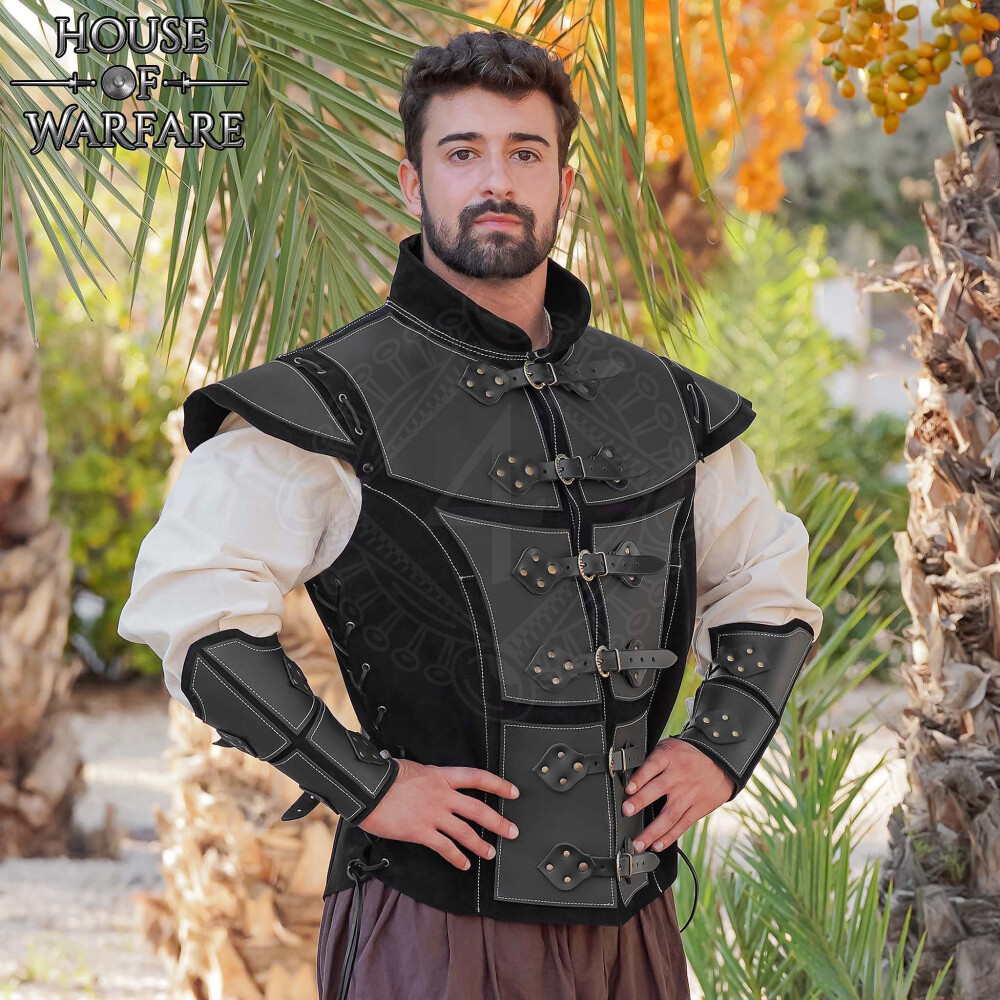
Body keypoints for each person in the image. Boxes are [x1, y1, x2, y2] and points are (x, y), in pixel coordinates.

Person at [119, 28, 823, 1000]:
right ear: (413, 184)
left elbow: (764, 585)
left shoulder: (663, 404)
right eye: (463, 152)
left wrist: (718, 748)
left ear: (563, 187)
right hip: (432, 921)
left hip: (634, 925)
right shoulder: (333, 400)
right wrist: (369, 785)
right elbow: (191, 614)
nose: (497, 179)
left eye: (525, 153)